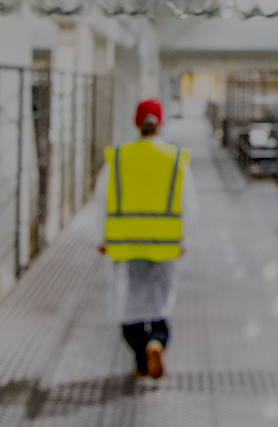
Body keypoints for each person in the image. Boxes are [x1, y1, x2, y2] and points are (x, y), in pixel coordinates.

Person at [101, 98, 189, 379]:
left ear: (136, 123)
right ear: (160, 122)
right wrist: (183, 237)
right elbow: (190, 204)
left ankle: (140, 356)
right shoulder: (175, 158)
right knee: (160, 300)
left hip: (125, 244)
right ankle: (157, 341)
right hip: (164, 244)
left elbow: (100, 200)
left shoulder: (119, 157)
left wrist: (102, 237)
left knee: (132, 302)